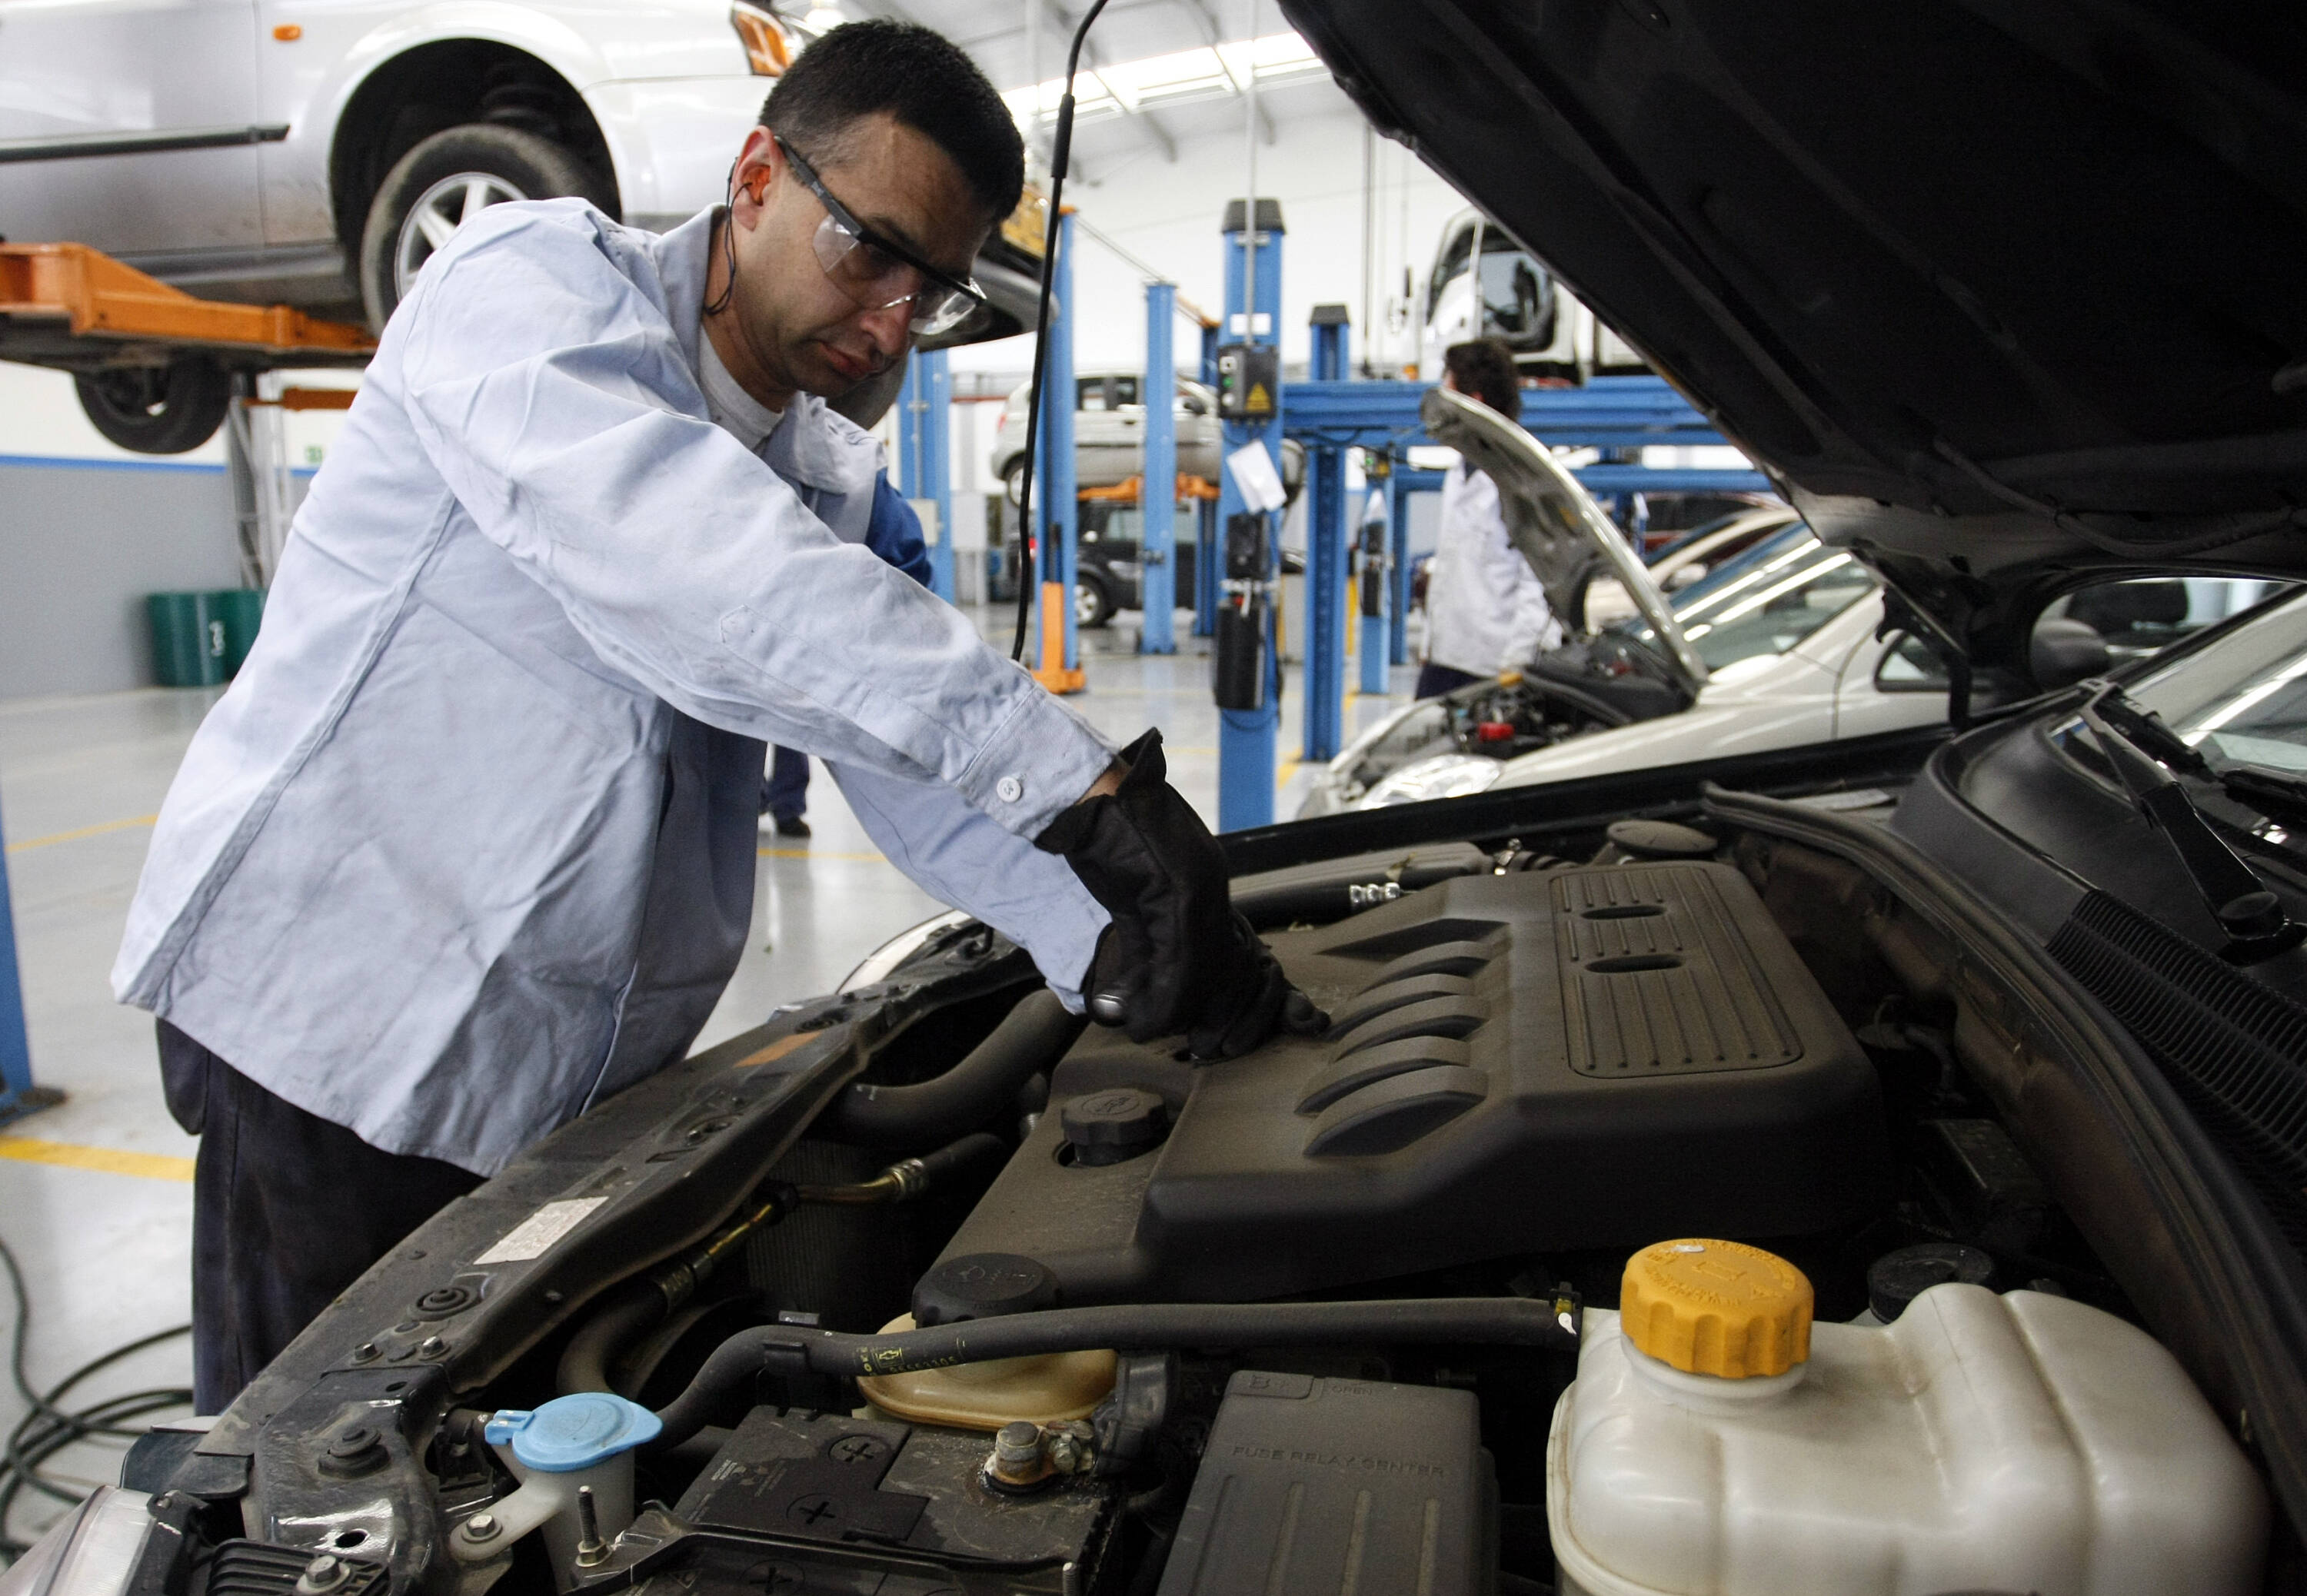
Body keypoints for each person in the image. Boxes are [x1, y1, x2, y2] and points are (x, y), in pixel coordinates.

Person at [114, 20, 1320, 1414]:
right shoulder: (530, 292)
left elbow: (916, 764)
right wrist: (1084, 787)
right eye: (867, 250)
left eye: (928, 294)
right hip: (327, 1021)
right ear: (757, 176)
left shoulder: (828, 479)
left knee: (494, 1462)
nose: (886, 325)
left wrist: (1130, 946)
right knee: (315, 1478)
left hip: (557, 1087)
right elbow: (697, 573)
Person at [760, 473, 932, 838]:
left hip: (802, 628)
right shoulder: (857, 481)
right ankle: (764, 800)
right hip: (772, 621)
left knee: (790, 723)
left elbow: (909, 574)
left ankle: (782, 804)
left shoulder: (855, 479)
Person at [1417, 337, 1563, 698]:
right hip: (1445, 658)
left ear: (1473, 402)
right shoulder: (1459, 471)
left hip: (1492, 667)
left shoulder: (1521, 477)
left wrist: (1516, 663)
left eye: (1448, 393)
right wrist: (1428, 644)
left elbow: (1539, 582)